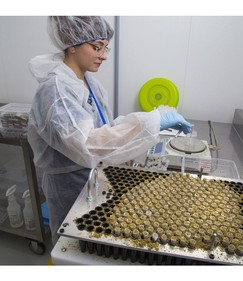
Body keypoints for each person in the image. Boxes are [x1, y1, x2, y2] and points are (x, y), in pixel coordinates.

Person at [27, 16, 193, 244]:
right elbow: (86, 144)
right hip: (69, 182)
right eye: (96, 47)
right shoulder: (55, 91)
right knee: (72, 244)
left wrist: (152, 120)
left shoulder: (88, 83)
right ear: (71, 44)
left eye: (106, 48)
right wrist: (150, 124)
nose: (104, 56)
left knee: (92, 241)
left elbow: (106, 128)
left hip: (91, 175)